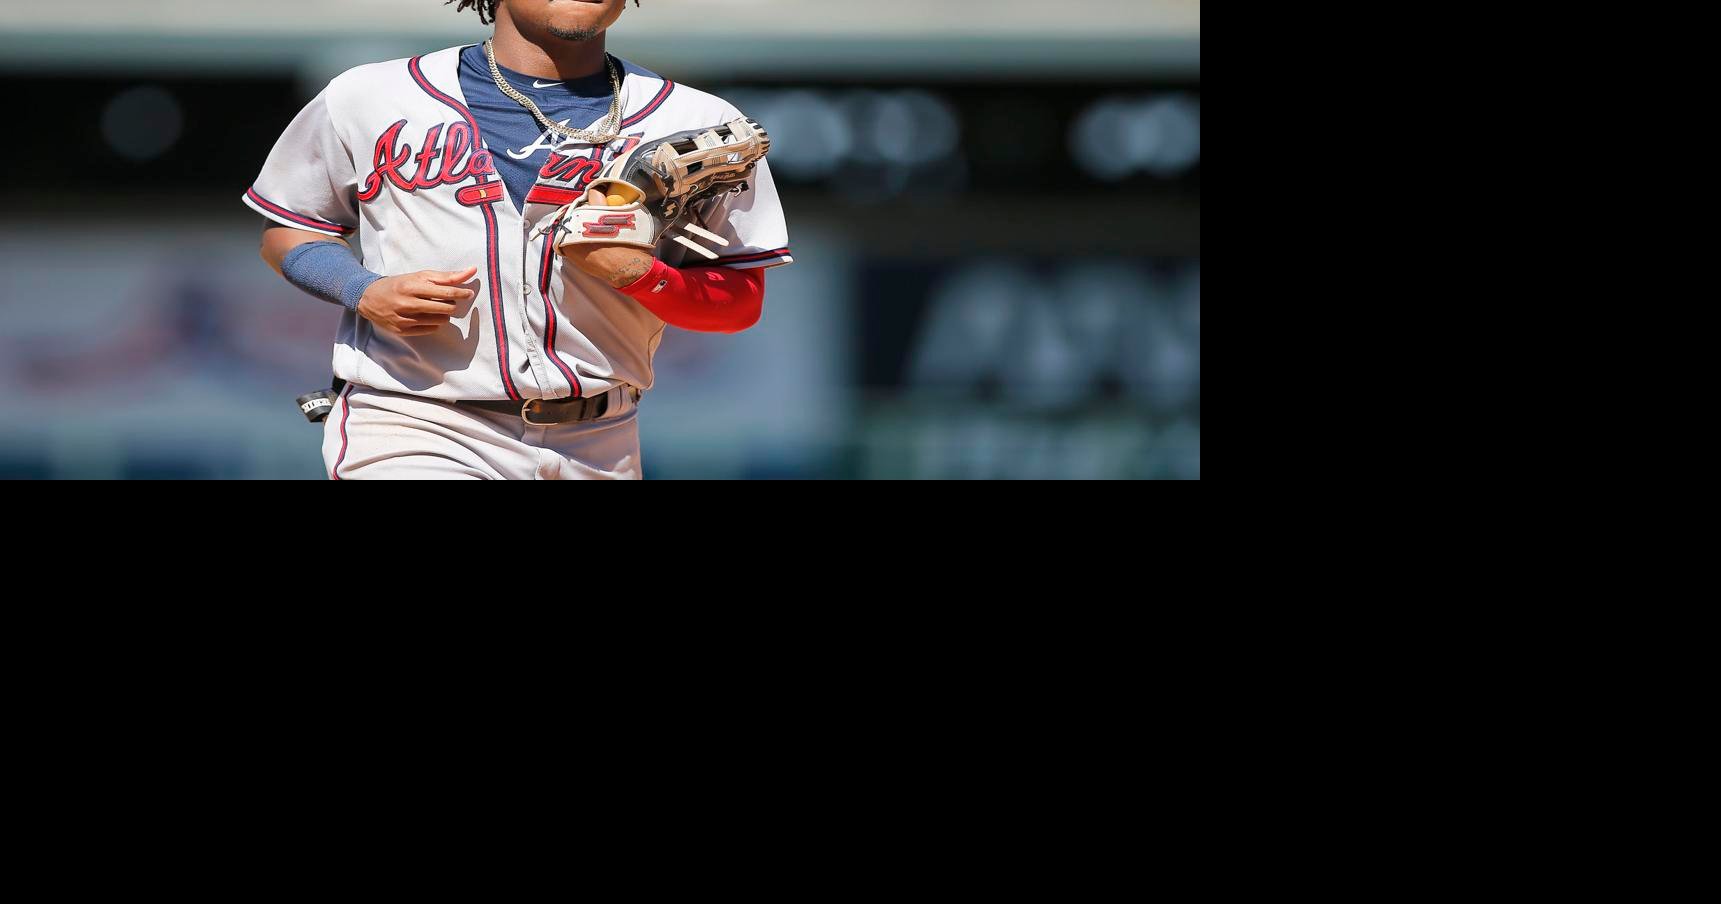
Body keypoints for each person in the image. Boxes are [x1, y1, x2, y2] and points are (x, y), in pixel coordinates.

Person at [246, 0, 791, 479]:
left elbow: (739, 302)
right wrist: (362, 290)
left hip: (601, 440)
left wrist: (639, 274)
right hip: (417, 422)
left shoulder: (696, 119)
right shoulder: (371, 96)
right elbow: (291, 230)